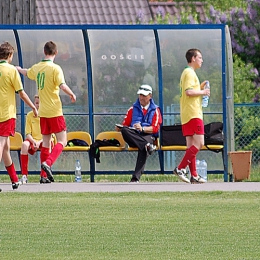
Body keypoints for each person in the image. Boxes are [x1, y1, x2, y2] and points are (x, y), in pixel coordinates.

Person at [16, 41, 76, 183]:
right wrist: (71, 94)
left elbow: (27, 72)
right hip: (54, 110)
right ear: (56, 52)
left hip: (43, 112)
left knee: (46, 143)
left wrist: (18, 69)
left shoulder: (38, 67)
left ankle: (43, 177)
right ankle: (48, 163)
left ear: (44, 52)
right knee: (62, 140)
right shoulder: (55, 69)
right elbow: (62, 85)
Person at [0, 42, 38, 190]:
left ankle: (14, 180)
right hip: (6, 114)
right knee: (2, 144)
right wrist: (33, 106)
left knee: (6, 148)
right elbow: (21, 92)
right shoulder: (11, 70)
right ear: (10, 55)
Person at [173, 48, 210, 184]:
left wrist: (200, 88)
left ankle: (194, 175)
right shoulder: (189, 72)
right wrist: (203, 92)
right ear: (193, 58)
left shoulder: (187, 73)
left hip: (187, 113)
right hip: (193, 113)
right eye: (199, 57)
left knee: (190, 147)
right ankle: (180, 168)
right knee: (200, 143)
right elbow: (189, 92)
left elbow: (190, 90)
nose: (201, 60)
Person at [115, 84, 162, 183]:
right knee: (125, 130)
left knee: (144, 147)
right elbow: (125, 125)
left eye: (144, 95)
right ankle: (147, 146)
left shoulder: (156, 110)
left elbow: (155, 129)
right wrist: (120, 128)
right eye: (140, 95)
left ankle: (135, 178)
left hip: (148, 135)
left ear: (150, 96)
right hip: (134, 136)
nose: (141, 98)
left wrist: (143, 129)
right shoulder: (132, 109)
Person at [20, 95, 54, 184]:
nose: (38, 105)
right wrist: (34, 141)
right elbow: (28, 134)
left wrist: (39, 142)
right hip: (33, 140)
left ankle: (44, 176)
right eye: (36, 103)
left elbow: (51, 135)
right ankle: (24, 176)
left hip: (44, 140)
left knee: (49, 143)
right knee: (24, 145)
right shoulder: (29, 115)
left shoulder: (48, 114)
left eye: (40, 103)